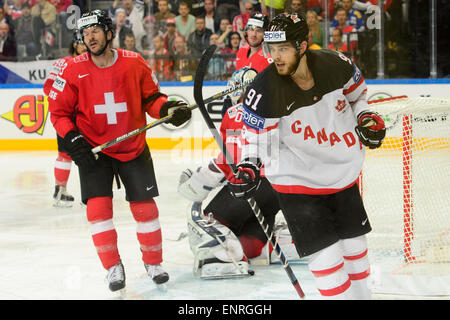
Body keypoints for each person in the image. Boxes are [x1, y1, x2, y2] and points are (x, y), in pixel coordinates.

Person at [229, 13, 386, 299]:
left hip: (342, 176)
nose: (275, 57)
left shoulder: (336, 65)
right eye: (271, 49)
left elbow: (359, 98)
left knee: (356, 254)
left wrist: (366, 117)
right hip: (297, 183)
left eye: (283, 48)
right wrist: (249, 167)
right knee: (327, 262)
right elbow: (253, 138)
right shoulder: (264, 90)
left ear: (303, 45)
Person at [48, 9, 192, 292]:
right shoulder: (73, 69)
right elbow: (58, 113)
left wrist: (168, 109)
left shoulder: (133, 63)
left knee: (145, 208)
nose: (90, 38)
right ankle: (113, 267)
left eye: (95, 31)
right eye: (85, 34)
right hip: (93, 151)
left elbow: (152, 98)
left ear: (109, 32)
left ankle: (154, 262)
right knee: (98, 211)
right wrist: (73, 139)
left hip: (132, 145)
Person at [177, 67, 299, 278]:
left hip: (251, 182)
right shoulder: (277, 108)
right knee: (250, 246)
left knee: (209, 218)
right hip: (277, 189)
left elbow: (229, 159)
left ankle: (225, 257)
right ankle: (281, 242)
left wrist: (199, 181)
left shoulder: (236, 112)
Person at [43, 29, 87, 207]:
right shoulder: (63, 63)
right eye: (82, 42)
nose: (85, 46)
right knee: (65, 153)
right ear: (75, 44)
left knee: (90, 153)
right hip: (67, 117)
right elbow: (49, 88)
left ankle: (92, 192)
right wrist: (65, 104)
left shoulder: (93, 62)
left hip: (88, 116)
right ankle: (60, 189)